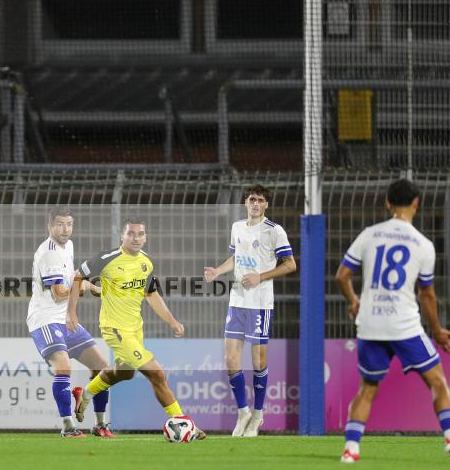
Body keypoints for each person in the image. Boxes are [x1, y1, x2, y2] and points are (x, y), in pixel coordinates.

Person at [335, 178, 450, 463]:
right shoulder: (424, 245)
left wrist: (354, 301)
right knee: (437, 381)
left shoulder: (370, 235)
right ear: (417, 203)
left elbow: (342, 275)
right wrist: (437, 331)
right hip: (404, 326)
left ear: (387, 203)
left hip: (371, 324)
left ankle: (351, 450)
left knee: (368, 388)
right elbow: (427, 295)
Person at [68, 218, 205, 440]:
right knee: (157, 373)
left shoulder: (146, 263)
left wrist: (172, 321)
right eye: (131, 233)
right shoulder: (106, 258)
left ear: (146, 237)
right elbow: (77, 276)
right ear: (122, 236)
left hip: (135, 329)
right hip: (115, 329)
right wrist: (71, 312)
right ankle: (183, 422)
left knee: (126, 372)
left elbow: (151, 294)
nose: (136, 238)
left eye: (140, 234)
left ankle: (84, 394)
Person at [204, 185, 296, 437]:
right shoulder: (237, 227)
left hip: (260, 304)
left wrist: (261, 276)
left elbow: (290, 264)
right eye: (252, 199)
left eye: (260, 200)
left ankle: (258, 415)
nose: (255, 203)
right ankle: (243, 411)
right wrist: (218, 271)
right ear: (246, 202)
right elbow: (235, 258)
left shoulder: (274, 231)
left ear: (266, 205)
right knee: (231, 360)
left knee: (258, 362)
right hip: (237, 302)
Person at [27, 208, 115, 438]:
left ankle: (99, 423)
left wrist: (95, 288)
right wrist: (84, 286)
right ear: (50, 226)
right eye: (59, 224)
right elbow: (58, 293)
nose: (65, 229)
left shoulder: (69, 246)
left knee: (101, 366)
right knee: (63, 367)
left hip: (64, 319)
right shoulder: (48, 253)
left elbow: (72, 279)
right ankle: (68, 426)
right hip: (45, 319)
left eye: (69, 224)